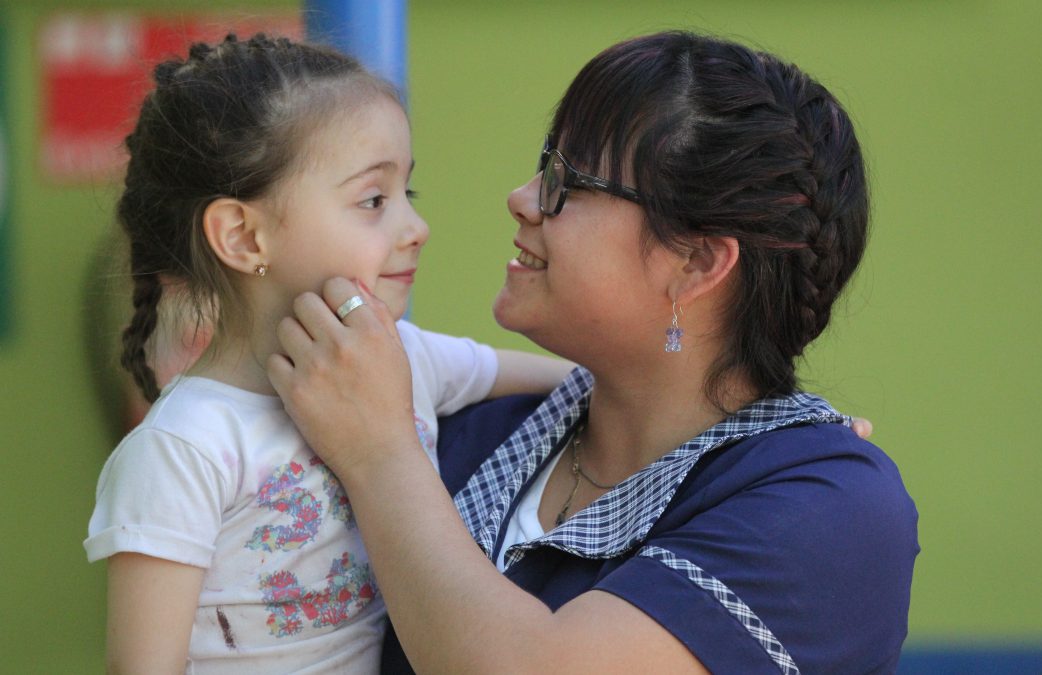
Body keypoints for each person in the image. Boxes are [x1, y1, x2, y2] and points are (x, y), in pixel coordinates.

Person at [268, 31, 919, 673]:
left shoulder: (830, 505)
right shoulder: (465, 431)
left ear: (696, 262)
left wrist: (381, 455)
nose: (521, 199)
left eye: (565, 181)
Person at [83, 34, 571, 673]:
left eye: (408, 196)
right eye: (373, 201)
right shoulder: (184, 449)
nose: (414, 228)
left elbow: (582, 384)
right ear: (243, 236)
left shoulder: (405, 360)